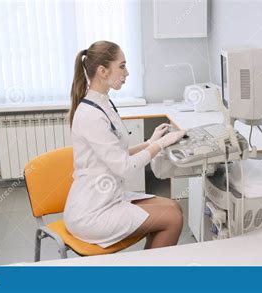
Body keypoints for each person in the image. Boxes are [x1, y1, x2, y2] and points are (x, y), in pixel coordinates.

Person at [64, 40, 186, 249]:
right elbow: (124, 166)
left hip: (109, 197)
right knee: (172, 219)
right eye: (122, 66)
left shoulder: (104, 102)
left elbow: (116, 154)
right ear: (102, 71)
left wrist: (151, 142)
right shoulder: (91, 115)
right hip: (91, 212)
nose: (127, 72)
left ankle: (149, 270)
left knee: (174, 206)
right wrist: (162, 144)